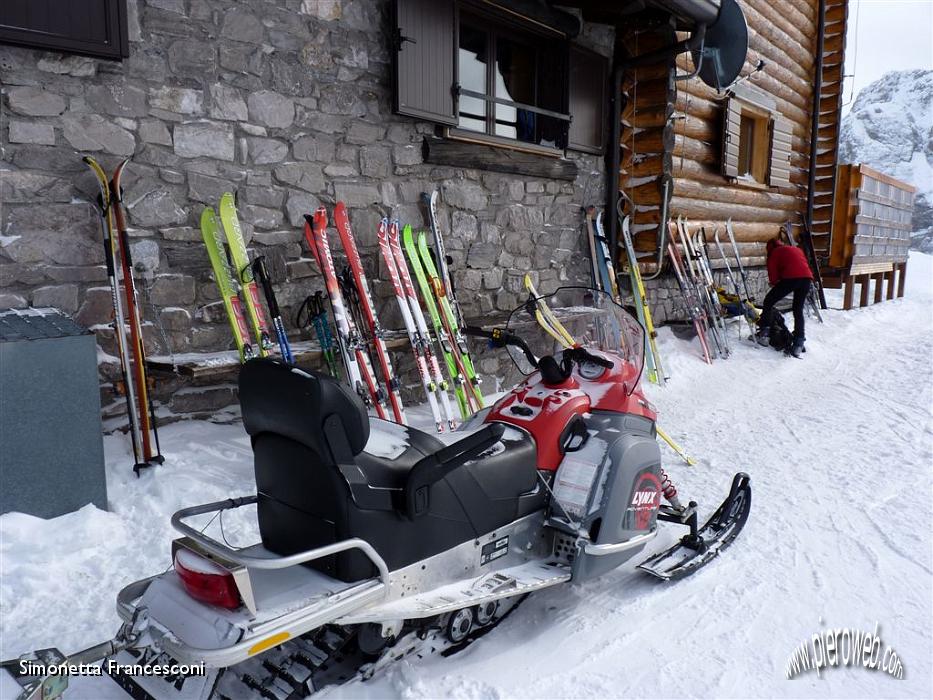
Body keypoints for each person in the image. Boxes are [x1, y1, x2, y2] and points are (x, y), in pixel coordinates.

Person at [756, 237, 813, 357]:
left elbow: (773, 275)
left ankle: (764, 334)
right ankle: (799, 342)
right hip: (807, 279)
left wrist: (774, 282)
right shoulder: (795, 249)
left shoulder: (774, 253)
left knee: (768, 301)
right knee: (798, 309)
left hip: (791, 279)